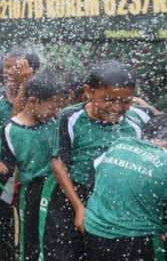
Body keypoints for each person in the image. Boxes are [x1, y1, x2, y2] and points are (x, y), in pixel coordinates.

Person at [41, 60, 144, 260]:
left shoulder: (137, 122)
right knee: (65, 252)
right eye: (108, 99)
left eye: (125, 101)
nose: (116, 107)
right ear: (89, 91)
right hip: (71, 195)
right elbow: (58, 162)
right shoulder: (71, 116)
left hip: (110, 200)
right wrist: (79, 207)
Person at [0, 72, 65, 261]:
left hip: (55, 189)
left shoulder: (54, 123)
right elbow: (8, 164)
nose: (56, 111)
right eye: (53, 105)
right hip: (31, 192)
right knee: (30, 236)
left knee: (54, 236)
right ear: (33, 101)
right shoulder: (12, 129)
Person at [84, 114, 167, 260]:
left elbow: (92, 182)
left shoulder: (120, 144)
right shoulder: (164, 160)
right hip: (138, 239)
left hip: (95, 231)